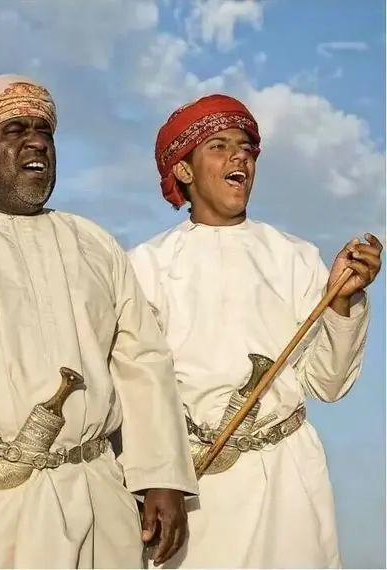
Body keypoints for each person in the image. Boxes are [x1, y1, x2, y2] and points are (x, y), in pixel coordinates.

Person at [0, 74, 199, 569]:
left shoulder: (94, 243)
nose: (37, 143)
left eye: (45, 133)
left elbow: (143, 361)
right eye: (15, 131)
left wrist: (162, 476)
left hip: (99, 496)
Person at [128, 93, 382, 568]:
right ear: (183, 170)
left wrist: (342, 298)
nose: (239, 155)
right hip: (193, 488)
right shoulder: (144, 267)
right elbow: (135, 392)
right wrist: (150, 480)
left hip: (287, 481)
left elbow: (327, 383)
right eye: (219, 146)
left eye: (245, 146)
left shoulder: (294, 256)